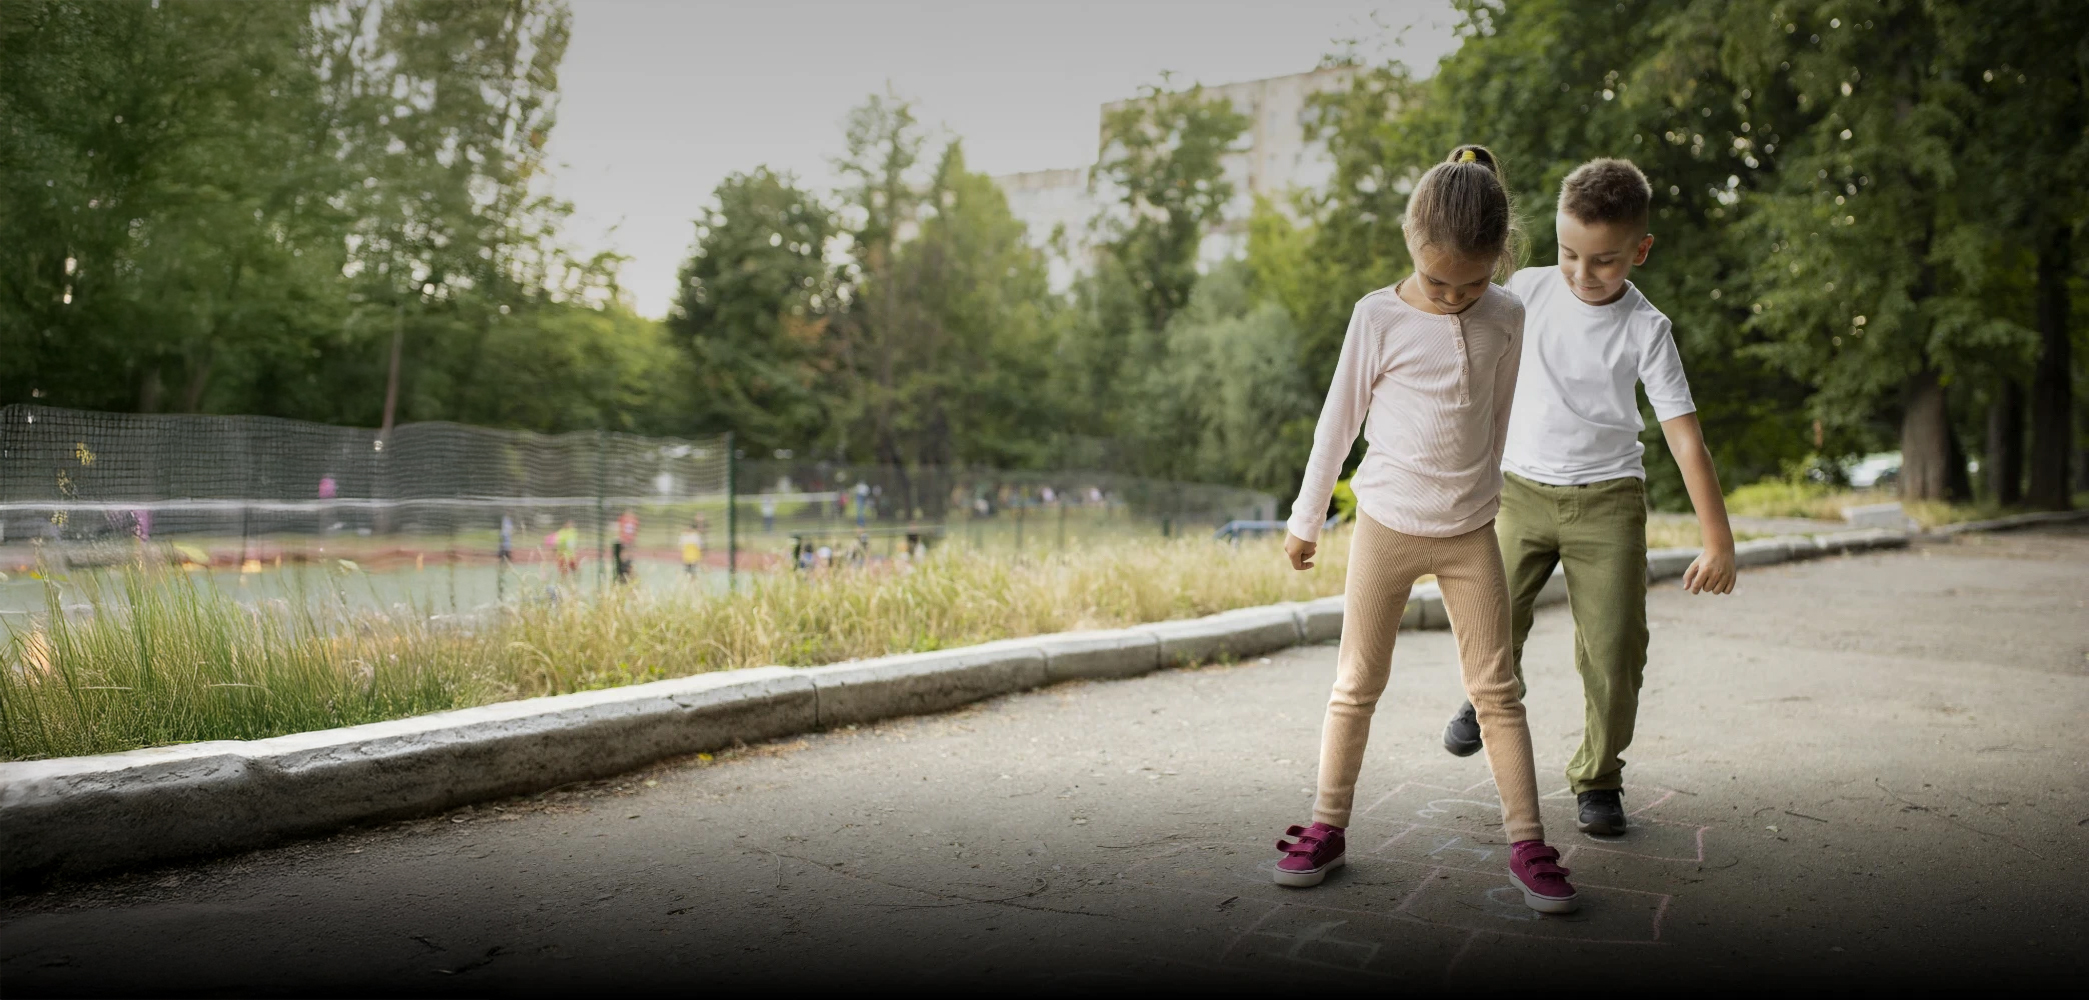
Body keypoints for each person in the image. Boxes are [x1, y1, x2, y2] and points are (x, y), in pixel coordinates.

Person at [1273, 145, 1576, 914]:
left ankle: (1528, 841)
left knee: (1496, 690)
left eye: (1470, 282)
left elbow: (1500, 416)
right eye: (1437, 280)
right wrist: (1307, 519)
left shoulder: (1508, 312)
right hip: (1385, 524)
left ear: (1499, 261)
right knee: (1355, 685)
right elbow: (1334, 425)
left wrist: (1493, 498)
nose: (1451, 296)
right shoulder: (1375, 316)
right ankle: (1326, 826)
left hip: (1469, 530)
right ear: (1410, 243)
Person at [1437, 158, 1737, 837]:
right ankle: (1481, 697)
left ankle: (1598, 777)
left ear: (1640, 251)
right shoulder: (1526, 289)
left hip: (1606, 502)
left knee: (1614, 649)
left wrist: (1717, 541)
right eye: (1569, 253)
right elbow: (1458, 323)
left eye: (1603, 261)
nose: (1581, 273)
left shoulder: (1646, 329)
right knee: (1491, 618)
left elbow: (1686, 442)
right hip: (1517, 491)